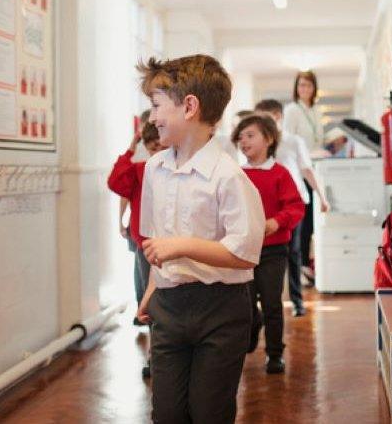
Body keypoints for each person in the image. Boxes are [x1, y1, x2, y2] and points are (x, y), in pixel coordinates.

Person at [135, 55, 264, 424]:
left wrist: (181, 246)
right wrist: (151, 287)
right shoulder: (154, 169)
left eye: (157, 105)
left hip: (220, 309)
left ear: (189, 106)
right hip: (169, 304)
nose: (153, 117)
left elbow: (244, 254)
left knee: (210, 412)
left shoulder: (229, 177)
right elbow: (156, 240)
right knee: (168, 413)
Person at [232, 114, 304, 373]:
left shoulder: (280, 174)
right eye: (240, 137)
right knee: (245, 304)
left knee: (273, 303)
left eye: (250, 135)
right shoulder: (236, 175)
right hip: (243, 253)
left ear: (269, 139)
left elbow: (295, 207)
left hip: (274, 251)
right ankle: (252, 329)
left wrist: (276, 222)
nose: (243, 141)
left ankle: (275, 354)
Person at [253, 99, 329, 316]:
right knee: (267, 253)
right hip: (268, 206)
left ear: (277, 117)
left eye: (265, 117)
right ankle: (266, 301)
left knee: (293, 252)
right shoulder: (259, 143)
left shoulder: (293, 141)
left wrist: (322, 197)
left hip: (294, 203)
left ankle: (297, 301)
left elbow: (306, 170)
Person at [107, 121, 167, 379]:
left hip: (174, 243)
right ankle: (155, 356)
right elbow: (116, 183)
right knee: (151, 300)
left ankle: (168, 354)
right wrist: (130, 150)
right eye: (152, 149)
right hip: (146, 244)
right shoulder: (140, 169)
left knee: (171, 300)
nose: (157, 154)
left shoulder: (175, 167)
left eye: (160, 148)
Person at [282, 70, 326, 281]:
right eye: (301, 85)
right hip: (300, 171)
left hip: (317, 167)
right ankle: (299, 268)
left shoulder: (317, 110)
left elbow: (318, 138)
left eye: (308, 85)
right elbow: (289, 143)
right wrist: (310, 154)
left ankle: (309, 264)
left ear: (314, 88)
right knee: (304, 221)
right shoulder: (291, 110)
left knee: (313, 222)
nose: (304, 89)